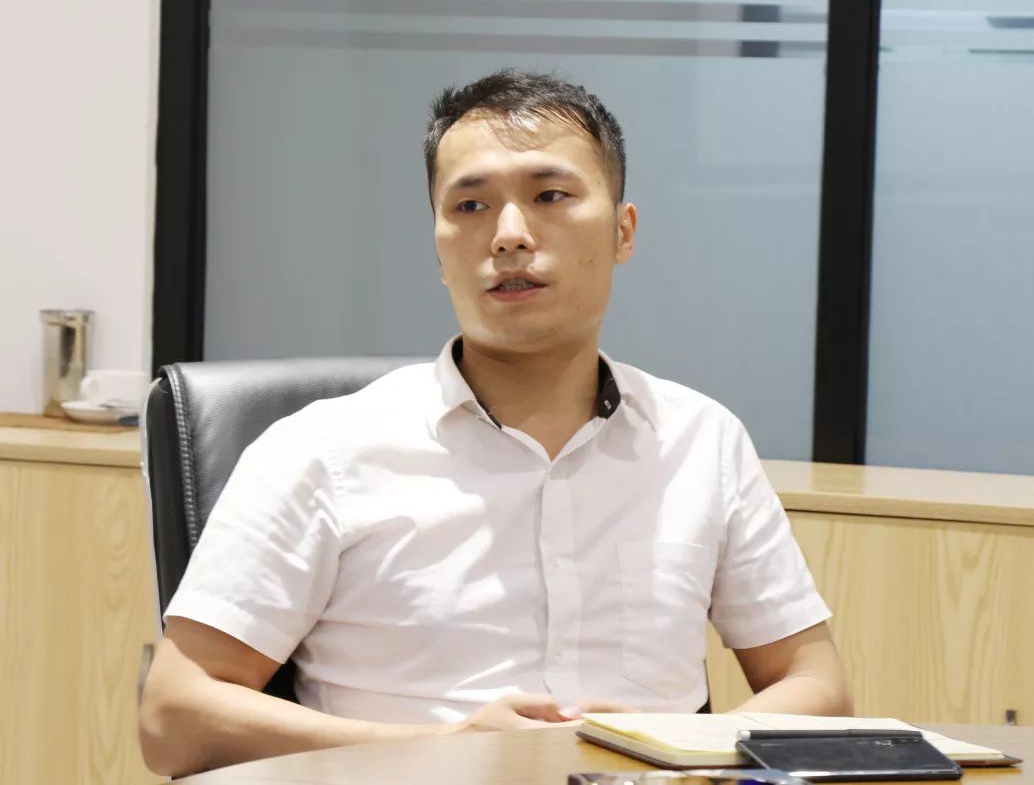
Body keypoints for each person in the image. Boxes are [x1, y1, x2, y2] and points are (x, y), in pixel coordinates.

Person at [139, 69, 851, 777]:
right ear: (439, 249)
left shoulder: (701, 439)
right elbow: (173, 717)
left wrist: (673, 749)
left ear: (622, 231)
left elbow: (816, 686)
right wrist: (450, 750)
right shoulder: (323, 451)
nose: (509, 235)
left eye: (550, 195)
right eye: (471, 205)